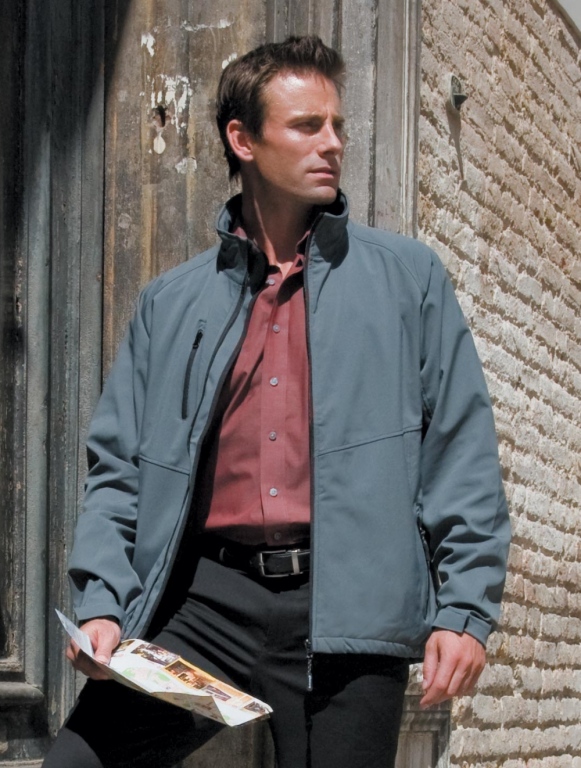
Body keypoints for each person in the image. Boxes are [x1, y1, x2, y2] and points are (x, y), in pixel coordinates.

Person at [43, 35, 510, 768]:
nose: (333, 143)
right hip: (205, 606)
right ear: (244, 140)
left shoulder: (408, 279)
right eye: (306, 125)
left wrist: (465, 609)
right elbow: (119, 469)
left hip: (347, 608)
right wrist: (102, 601)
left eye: (337, 125)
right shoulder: (171, 303)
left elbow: (461, 451)